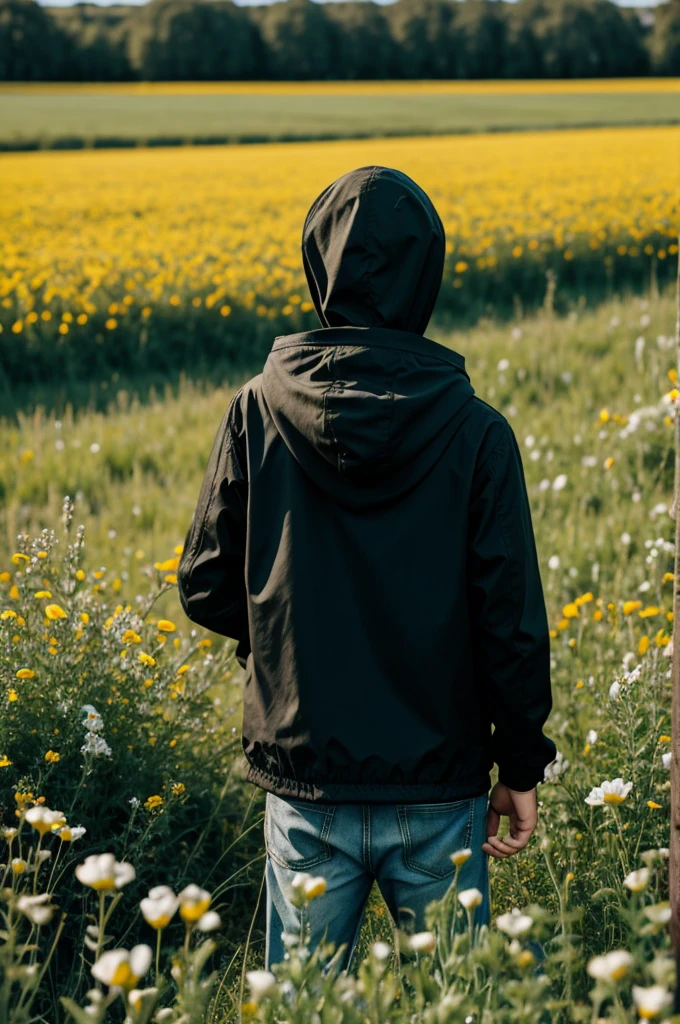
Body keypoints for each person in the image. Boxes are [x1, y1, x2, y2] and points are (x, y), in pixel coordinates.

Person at [177, 165, 557, 972]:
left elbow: (206, 584)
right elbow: (510, 623)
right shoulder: (478, 433)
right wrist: (521, 768)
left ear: (319, 267)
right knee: (464, 1000)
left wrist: (283, 639)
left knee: (305, 1005)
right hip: (440, 783)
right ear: (429, 272)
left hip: (306, 772)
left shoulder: (257, 410)